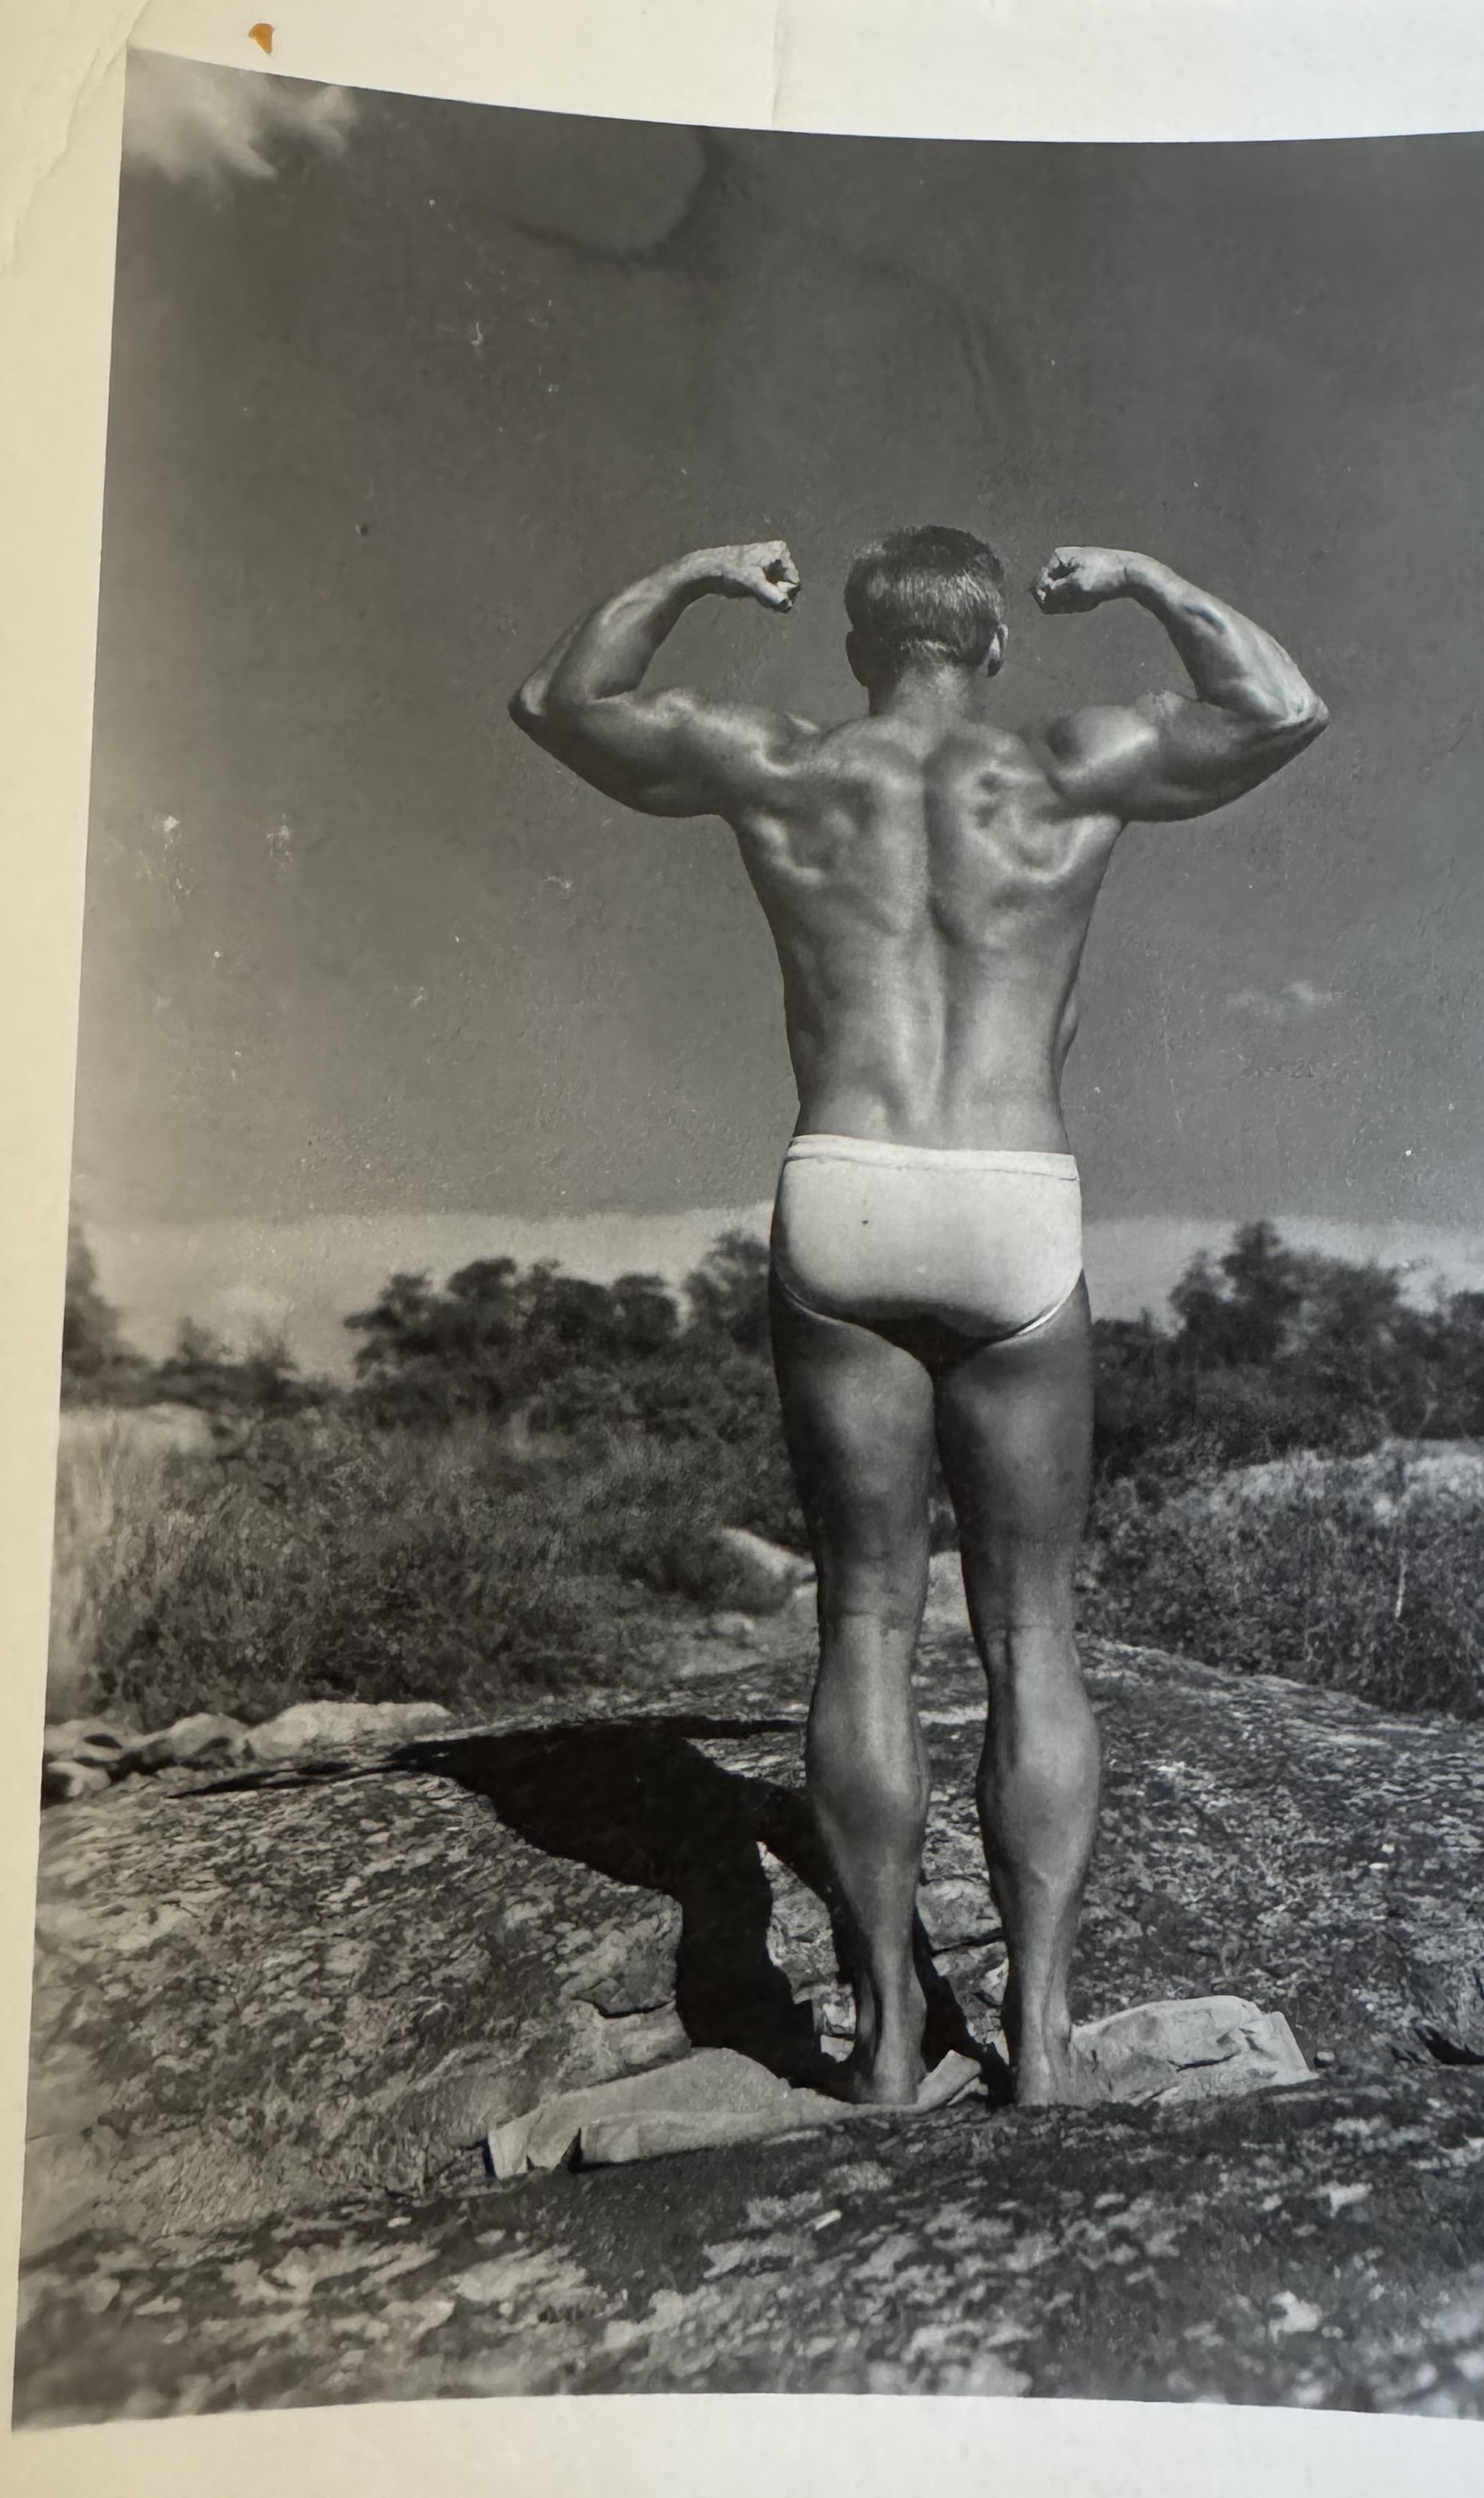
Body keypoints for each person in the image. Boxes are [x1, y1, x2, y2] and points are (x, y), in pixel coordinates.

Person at [510, 525, 1326, 2104]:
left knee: (866, 1625)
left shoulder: (784, 764)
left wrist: (691, 575)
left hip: (847, 1182)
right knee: (1031, 1635)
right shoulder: (1070, 764)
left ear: (857, 650)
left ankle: (884, 2046)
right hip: (1015, 1187)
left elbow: (564, 701)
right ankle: (1037, 2044)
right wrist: (1152, 580)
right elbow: (1279, 710)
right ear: (995, 648)